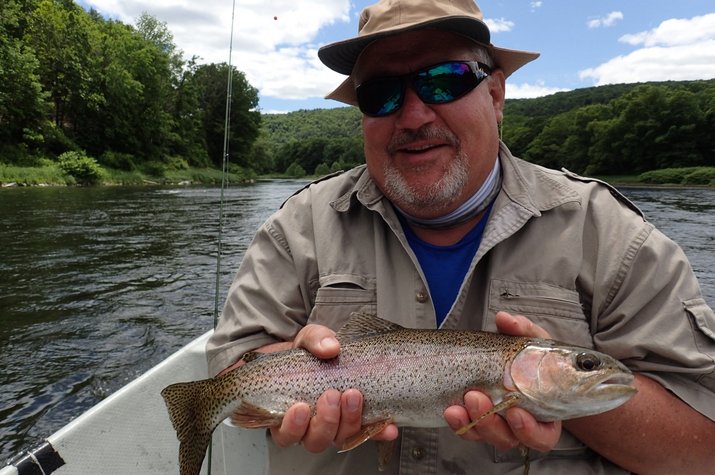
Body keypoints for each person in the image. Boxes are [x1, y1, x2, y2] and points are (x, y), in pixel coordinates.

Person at [207, 0, 715, 473]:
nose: (413, 115)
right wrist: (297, 369)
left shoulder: (610, 236)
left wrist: (552, 398)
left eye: (444, 81)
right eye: (381, 93)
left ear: (495, 95)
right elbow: (229, 371)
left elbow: (703, 444)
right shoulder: (299, 227)